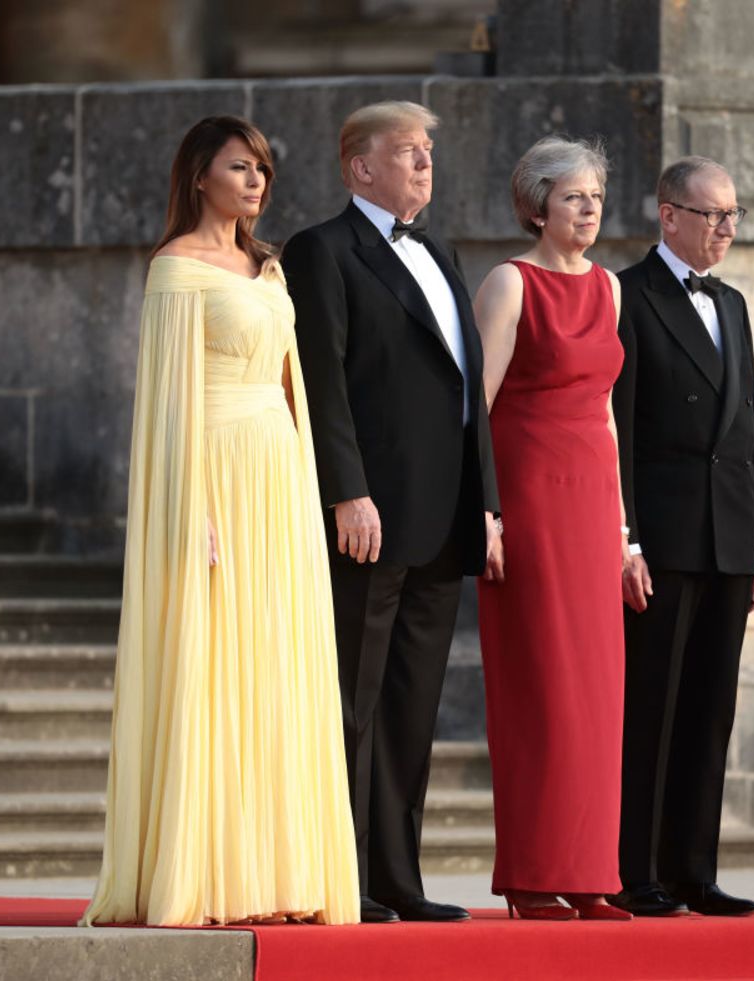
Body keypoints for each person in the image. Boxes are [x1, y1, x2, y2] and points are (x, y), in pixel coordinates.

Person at [80, 116, 359, 928]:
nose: (256, 183)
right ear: (199, 174)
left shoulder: (269, 269)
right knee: (216, 665)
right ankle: (206, 872)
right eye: (240, 167)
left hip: (276, 476)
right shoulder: (175, 269)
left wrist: (308, 492)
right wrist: (188, 505)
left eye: (264, 171)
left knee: (276, 666)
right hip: (215, 475)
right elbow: (169, 406)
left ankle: (278, 873)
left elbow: (289, 389)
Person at [280, 101, 500, 925]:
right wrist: (346, 487)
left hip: (444, 517)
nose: (425, 163)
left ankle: (400, 878)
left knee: (413, 705)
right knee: (355, 700)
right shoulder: (321, 251)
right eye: (408, 151)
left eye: (430, 150)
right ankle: (346, 878)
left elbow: (467, 391)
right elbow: (321, 377)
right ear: (358, 167)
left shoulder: (440, 250)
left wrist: (488, 504)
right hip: (367, 515)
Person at [609, 156, 754, 919]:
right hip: (665, 535)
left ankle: (693, 871)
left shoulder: (734, 303)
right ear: (669, 214)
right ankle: (633, 870)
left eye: (734, 215)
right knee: (652, 708)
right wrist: (628, 539)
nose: (728, 229)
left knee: (710, 710)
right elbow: (619, 430)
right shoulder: (629, 295)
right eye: (714, 214)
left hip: (730, 535)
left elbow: (748, 428)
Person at [473, 136, 630, 922]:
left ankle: (589, 871)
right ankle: (533, 875)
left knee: (599, 696)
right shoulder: (510, 283)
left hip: (593, 506)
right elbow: (477, 406)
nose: (589, 209)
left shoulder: (610, 289)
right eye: (573, 196)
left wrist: (627, 534)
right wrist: (486, 512)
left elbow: (604, 411)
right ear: (537, 204)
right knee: (542, 689)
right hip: (531, 503)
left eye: (596, 197)